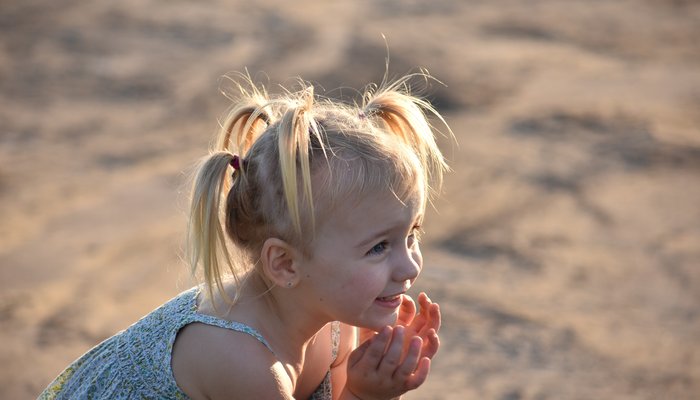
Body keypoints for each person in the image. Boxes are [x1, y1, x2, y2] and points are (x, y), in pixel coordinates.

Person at [39, 72, 450, 400]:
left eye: (411, 233)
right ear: (285, 263)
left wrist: (376, 377)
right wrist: (366, 396)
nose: (411, 265)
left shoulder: (334, 318)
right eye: (379, 247)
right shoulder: (245, 363)